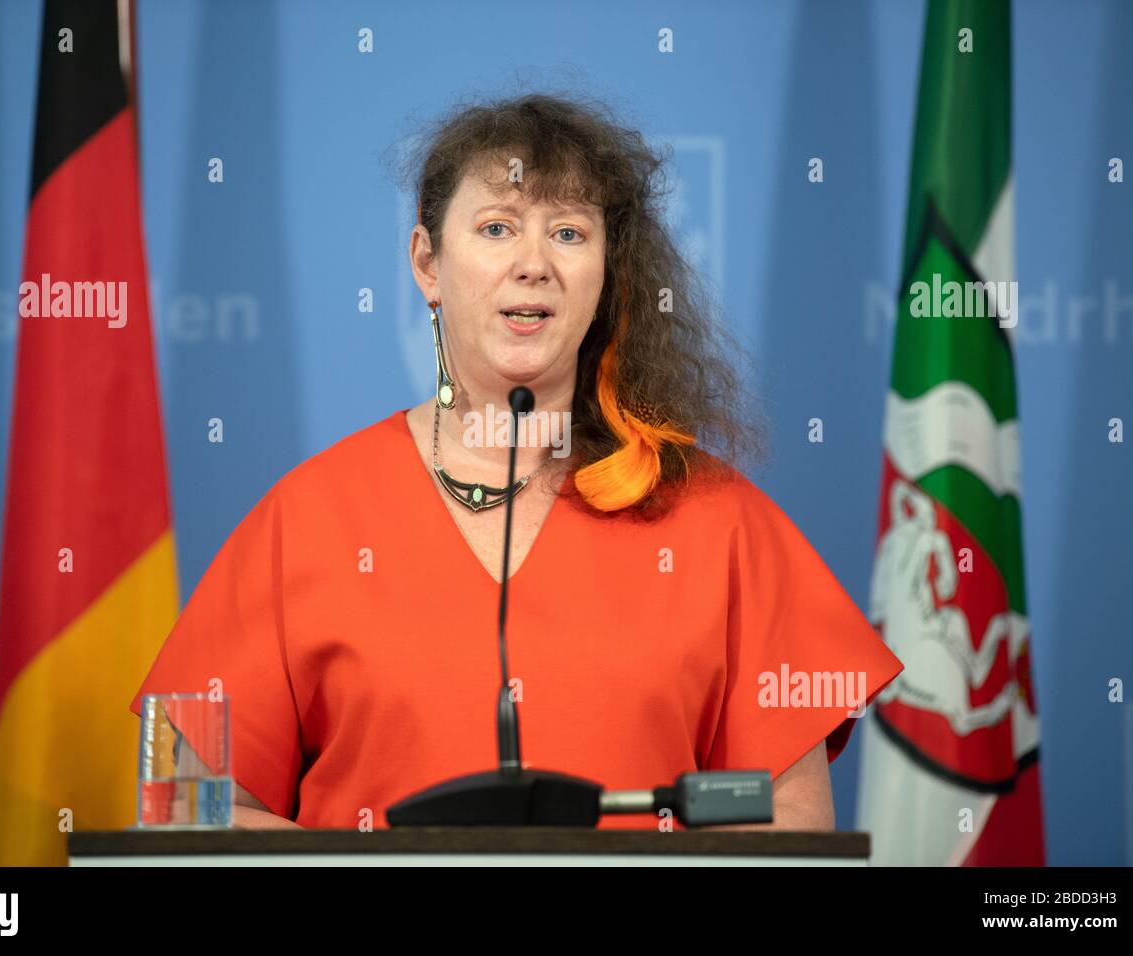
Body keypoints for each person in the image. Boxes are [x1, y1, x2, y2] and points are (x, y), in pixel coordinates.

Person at [129, 92, 902, 832]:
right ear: (428, 265)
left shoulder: (717, 519)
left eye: (569, 233)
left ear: (608, 276)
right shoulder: (305, 518)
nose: (534, 263)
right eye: (497, 228)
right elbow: (184, 804)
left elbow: (788, 823)